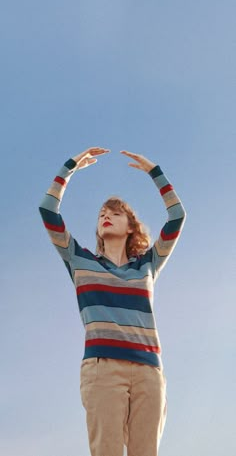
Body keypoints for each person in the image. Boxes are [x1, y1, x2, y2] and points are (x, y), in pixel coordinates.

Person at [39, 147, 186, 456]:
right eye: (102, 214)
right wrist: (69, 168)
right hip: (102, 369)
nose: (105, 216)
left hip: (149, 371)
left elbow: (177, 217)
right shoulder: (79, 260)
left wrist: (154, 173)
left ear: (131, 226)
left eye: (115, 213)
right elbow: (48, 210)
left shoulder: (146, 265)